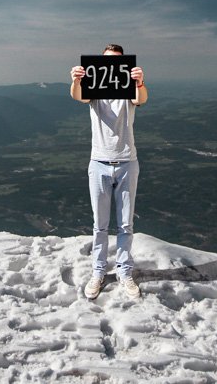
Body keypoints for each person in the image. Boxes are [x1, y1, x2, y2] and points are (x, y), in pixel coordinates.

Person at [70, 44, 148, 299]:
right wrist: (76, 80)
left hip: (127, 162)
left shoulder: (128, 86)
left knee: (125, 224)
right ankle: (98, 271)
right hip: (99, 162)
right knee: (100, 225)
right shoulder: (95, 86)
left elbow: (141, 99)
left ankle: (125, 272)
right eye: (107, 60)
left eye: (116, 61)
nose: (111, 65)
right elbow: (79, 96)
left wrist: (139, 82)